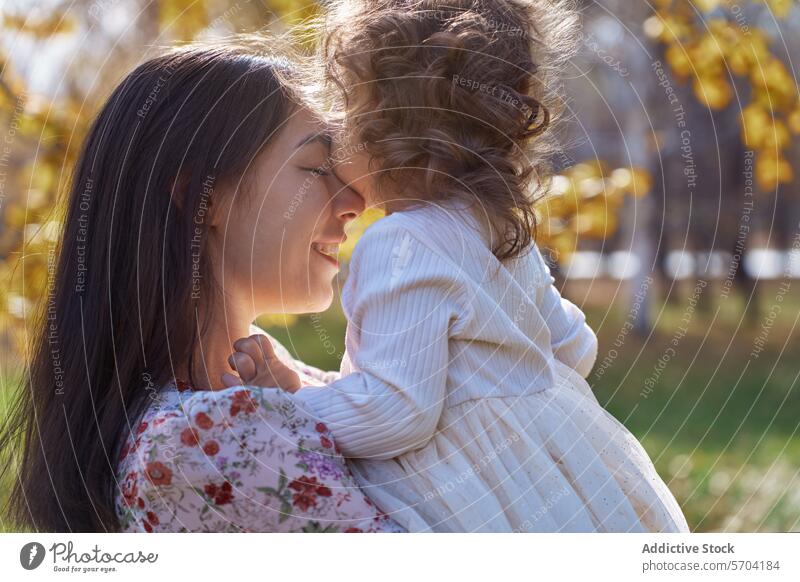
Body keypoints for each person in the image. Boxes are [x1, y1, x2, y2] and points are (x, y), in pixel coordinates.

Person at [226, 0, 691, 532]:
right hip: (563, 480)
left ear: (384, 124)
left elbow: (396, 411)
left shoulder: (399, 243)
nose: (333, 130)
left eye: (344, 105)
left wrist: (289, 406)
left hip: (477, 499)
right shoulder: (491, 225)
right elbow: (573, 346)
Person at [0, 41, 402, 533]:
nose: (354, 202)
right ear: (201, 197)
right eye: (318, 169)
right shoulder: (200, 443)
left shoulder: (267, 384)